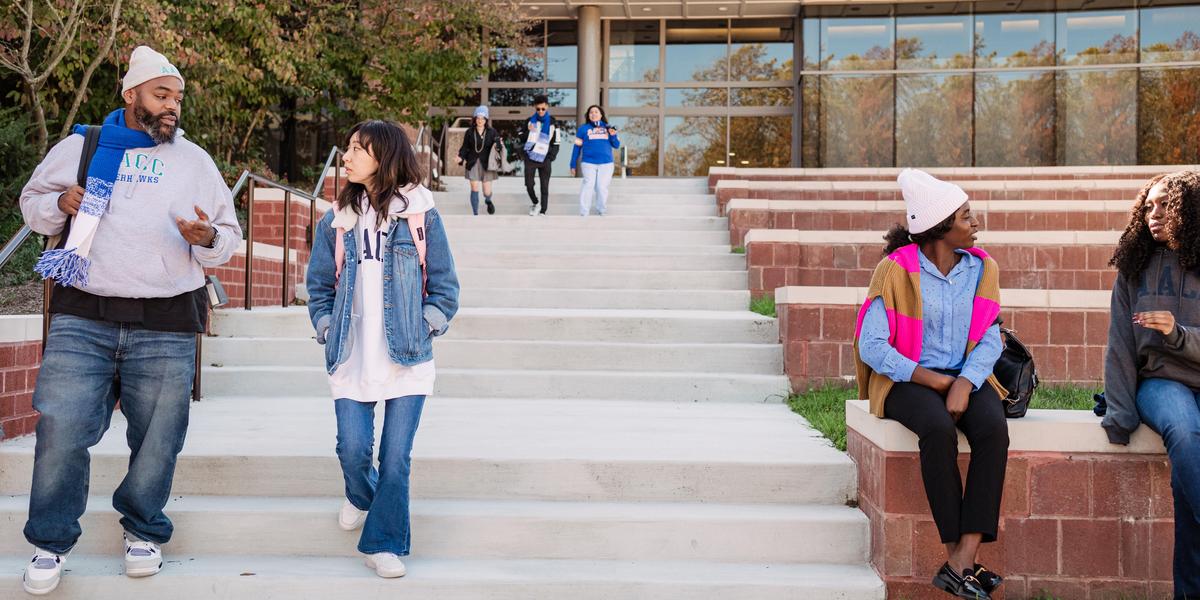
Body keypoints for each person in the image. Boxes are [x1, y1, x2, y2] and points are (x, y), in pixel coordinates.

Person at [17, 46, 241, 594]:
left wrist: (206, 238)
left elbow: (229, 236)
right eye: (161, 95)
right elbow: (33, 201)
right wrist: (61, 204)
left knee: (160, 436)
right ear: (131, 94)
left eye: (178, 98)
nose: (172, 107)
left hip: (165, 320)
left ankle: (143, 528)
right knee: (62, 429)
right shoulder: (83, 145)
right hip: (82, 314)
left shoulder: (195, 161)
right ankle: (49, 542)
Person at [307, 120, 459, 579]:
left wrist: (425, 327)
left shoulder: (420, 215)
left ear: (385, 157)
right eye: (348, 147)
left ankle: (385, 543)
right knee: (353, 450)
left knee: (395, 457)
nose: (347, 156)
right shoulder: (336, 220)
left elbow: (445, 288)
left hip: (407, 356)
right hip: (352, 353)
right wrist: (326, 326)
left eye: (357, 149)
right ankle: (361, 495)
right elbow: (318, 287)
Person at [853, 169, 1008, 599]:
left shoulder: (982, 268)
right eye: (966, 216)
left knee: (993, 431)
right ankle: (956, 558)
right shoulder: (894, 271)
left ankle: (962, 561)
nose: (976, 223)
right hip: (906, 379)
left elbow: (990, 336)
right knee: (938, 431)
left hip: (967, 375)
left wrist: (965, 382)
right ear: (941, 227)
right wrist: (934, 380)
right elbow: (872, 345)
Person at [1102, 171, 1200, 597]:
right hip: (1162, 383)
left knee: (1186, 489)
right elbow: (1120, 345)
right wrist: (1119, 416)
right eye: (1148, 207)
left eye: (1165, 205)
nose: (1153, 215)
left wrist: (1177, 333)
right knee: (1185, 430)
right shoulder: (1134, 269)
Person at [569, 105, 620, 217]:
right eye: (591, 112)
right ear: (588, 115)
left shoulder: (609, 127)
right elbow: (576, 147)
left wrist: (613, 135)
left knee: (601, 187)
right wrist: (572, 164)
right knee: (588, 184)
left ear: (601, 115)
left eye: (596, 112)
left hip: (606, 163)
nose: (593, 114)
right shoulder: (583, 129)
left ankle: (601, 209)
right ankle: (584, 211)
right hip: (588, 163)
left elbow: (616, 145)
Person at [519, 94, 560, 216]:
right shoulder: (529, 121)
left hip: (545, 158)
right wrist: (529, 131)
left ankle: (543, 210)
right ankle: (536, 202)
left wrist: (551, 155)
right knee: (529, 184)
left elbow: (557, 141)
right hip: (530, 157)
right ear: (535, 108)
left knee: (544, 186)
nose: (541, 111)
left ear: (547, 107)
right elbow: (520, 137)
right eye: (538, 109)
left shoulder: (553, 122)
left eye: (543, 109)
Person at [455, 105, 499, 215]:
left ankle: (488, 200)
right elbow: (465, 147)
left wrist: (498, 145)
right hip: (473, 162)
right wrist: (461, 157)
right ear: (475, 119)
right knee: (474, 188)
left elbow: (498, 145)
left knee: (486, 191)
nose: (480, 120)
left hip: (487, 164)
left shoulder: (492, 132)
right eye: (478, 118)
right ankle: (475, 213)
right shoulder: (469, 132)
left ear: (486, 120)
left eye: (482, 118)